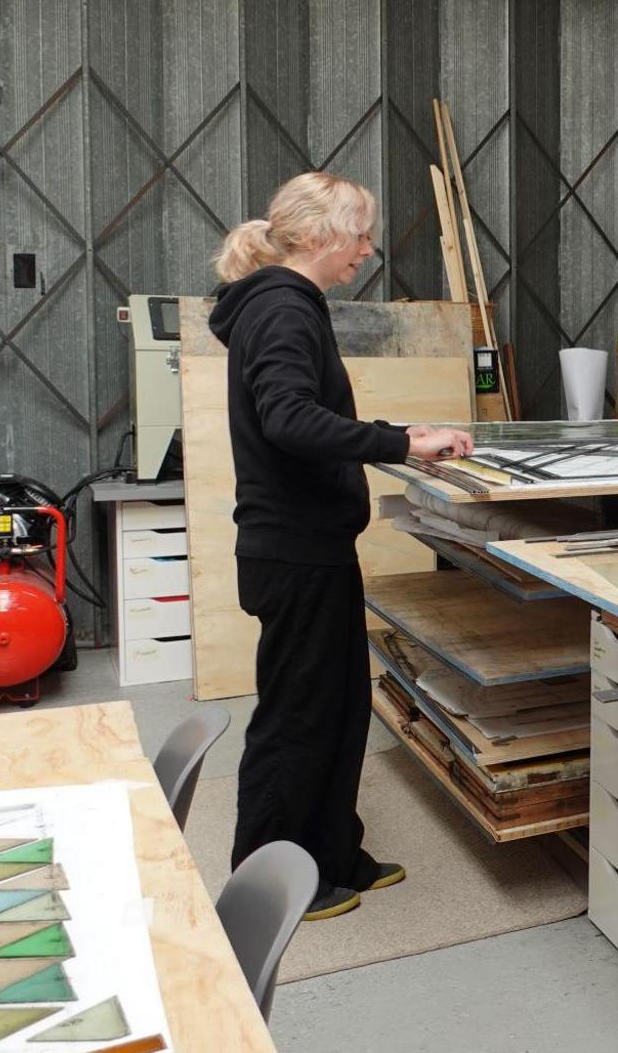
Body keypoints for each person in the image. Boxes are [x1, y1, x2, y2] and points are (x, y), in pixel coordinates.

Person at [210, 172, 475, 921]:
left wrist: (402, 436)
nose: (368, 249)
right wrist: (400, 445)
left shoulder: (286, 305)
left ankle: (333, 856)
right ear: (322, 235)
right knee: (297, 716)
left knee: (340, 708)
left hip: (311, 546)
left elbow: (306, 415)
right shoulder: (283, 309)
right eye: (360, 234)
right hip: (292, 552)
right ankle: (264, 880)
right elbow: (290, 419)